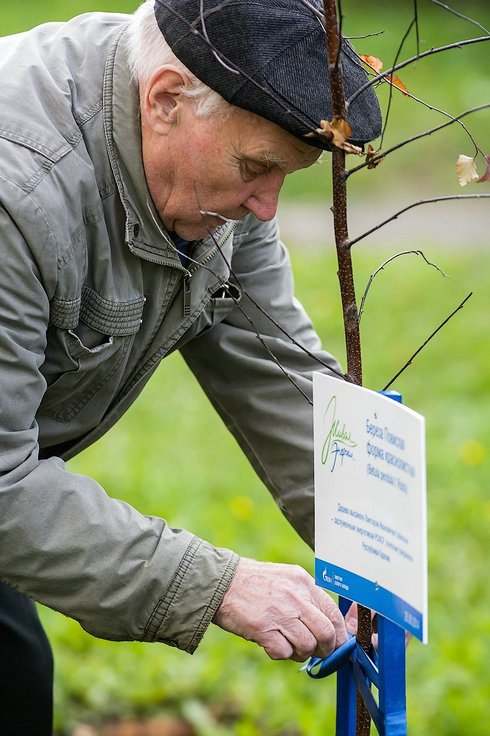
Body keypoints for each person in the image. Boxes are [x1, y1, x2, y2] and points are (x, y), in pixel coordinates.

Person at [0, 0, 381, 733]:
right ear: (166, 99)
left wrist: (370, 541)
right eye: (258, 168)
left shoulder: (211, 182)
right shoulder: (19, 191)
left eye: (286, 175)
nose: (267, 207)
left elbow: (277, 373)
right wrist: (220, 585)